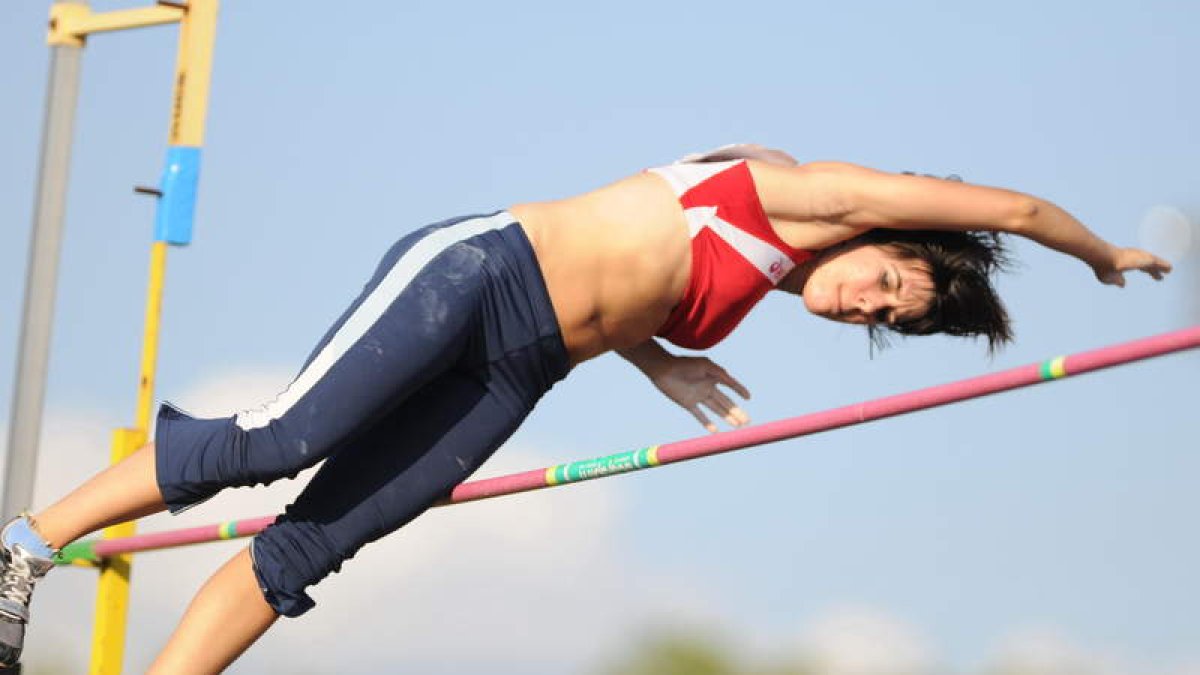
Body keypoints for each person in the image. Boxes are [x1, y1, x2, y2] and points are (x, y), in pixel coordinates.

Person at [0, 144, 1171, 672]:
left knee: (322, 540)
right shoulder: (806, 190)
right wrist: (1100, 255)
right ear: (883, 236)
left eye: (889, 320)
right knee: (278, 442)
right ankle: (26, 547)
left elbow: (625, 298)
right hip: (477, 275)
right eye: (890, 283)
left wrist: (655, 358)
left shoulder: (758, 290)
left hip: (523, 365)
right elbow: (1010, 205)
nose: (867, 304)